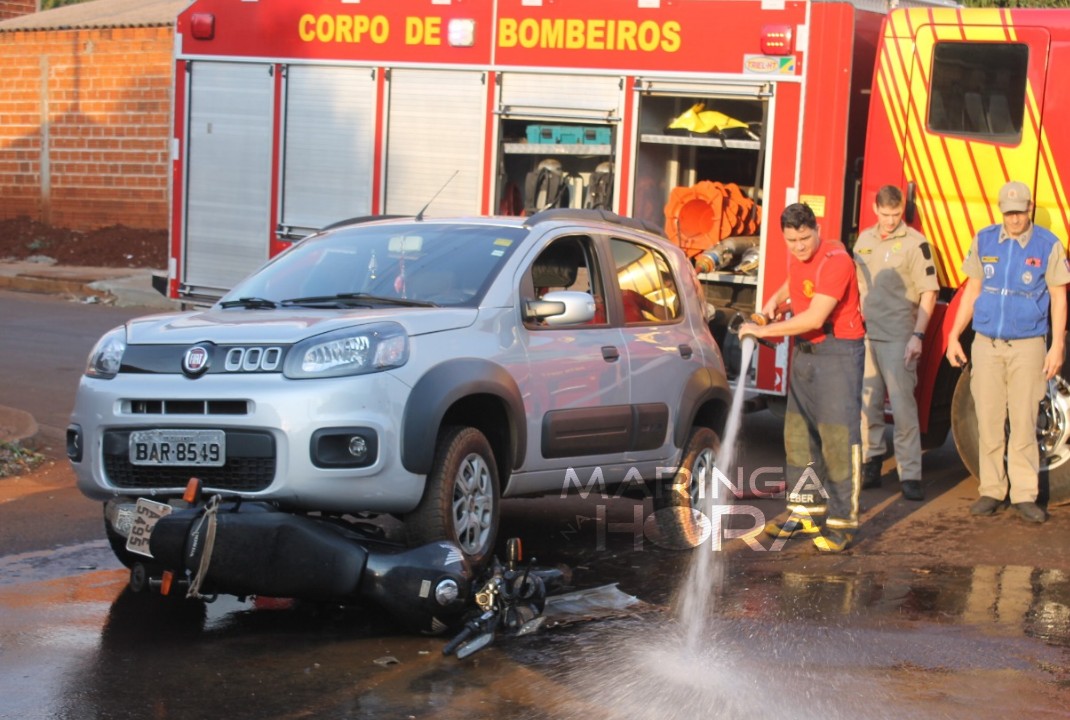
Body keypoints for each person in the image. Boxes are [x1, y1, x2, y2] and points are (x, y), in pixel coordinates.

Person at [739, 203, 866, 552]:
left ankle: (842, 523)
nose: (798, 246)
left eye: (805, 238)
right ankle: (804, 510)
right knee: (799, 435)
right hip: (806, 355)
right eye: (791, 240)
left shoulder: (836, 260)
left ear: (816, 229)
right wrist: (770, 305)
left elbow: (814, 317)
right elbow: (791, 284)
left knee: (838, 439)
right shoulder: (799, 255)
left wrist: (762, 328)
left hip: (837, 353)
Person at [946, 180, 1070, 524]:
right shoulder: (985, 240)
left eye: (1020, 212)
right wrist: (954, 335)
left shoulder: (1048, 245)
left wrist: (1056, 344)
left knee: (1024, 421)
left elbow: (1059, 297)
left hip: (1028, 346)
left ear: (1030, 209)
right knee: (988, 420)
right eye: (1008, 213)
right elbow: (972, 290)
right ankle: (991, 490)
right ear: (1001, 211)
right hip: (986, 345)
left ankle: (1025, 495)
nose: (1014, 219)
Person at [853, 185, 939, 501]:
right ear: (875, 209)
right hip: (867, 335)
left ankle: (910, 474)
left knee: (903, 409)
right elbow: (859, 280)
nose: (890, 221)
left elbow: (929, 292)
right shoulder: (864, 239)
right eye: (885, 214)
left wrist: (917, 336)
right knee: (868, 406)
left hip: (899, 336)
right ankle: (872, 462)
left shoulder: (916, 244)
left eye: (896, 214)